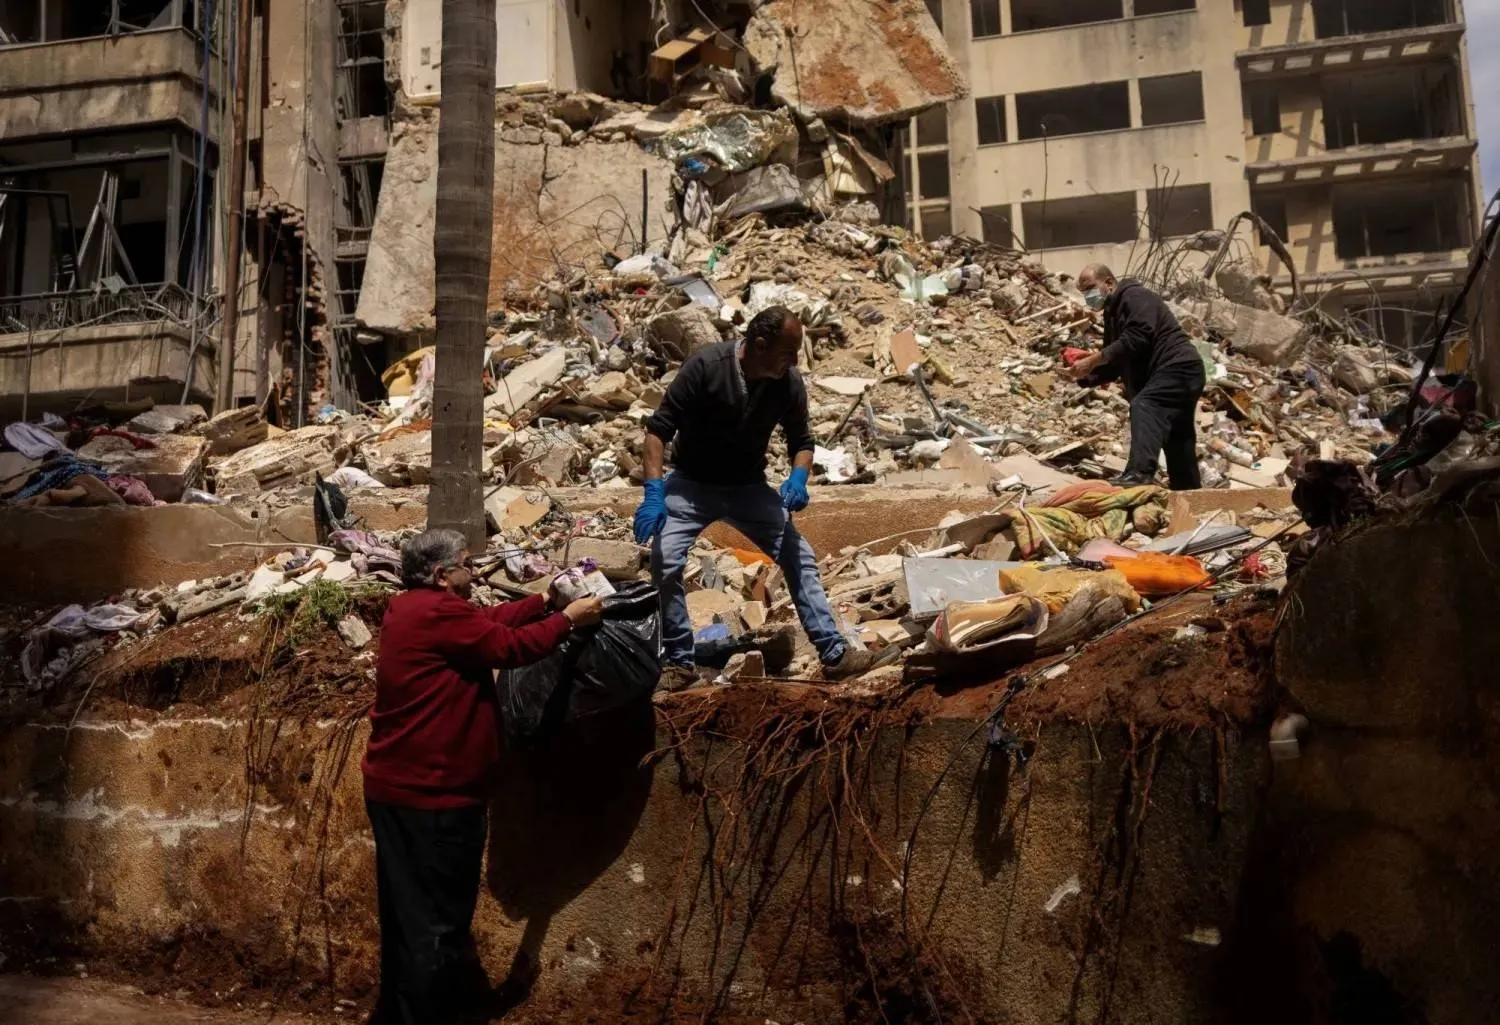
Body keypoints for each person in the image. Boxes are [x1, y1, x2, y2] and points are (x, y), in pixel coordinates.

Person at [361, 529, 604, 1025]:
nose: (473, 575)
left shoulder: (415, 608)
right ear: (441, 575)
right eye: (467, 567)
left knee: (409, 916)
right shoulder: (436, 612)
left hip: (401, 790)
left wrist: (542, 598)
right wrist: (565, 620)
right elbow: (506, 647)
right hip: (434, 798)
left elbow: (483, 624)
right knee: (438, 922)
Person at [632, 306, 891, 691]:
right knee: (665, 559)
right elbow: (657, 433)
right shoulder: (706, 366)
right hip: (691, 485)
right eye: (788, 351)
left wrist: (799, 477)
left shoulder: (786, 382)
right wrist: (654, 493)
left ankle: (835, 654)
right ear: (759, 345)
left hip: (748, 488)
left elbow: (802, 441)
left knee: (798, 555)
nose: (794, 361)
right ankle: (680, 662)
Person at [1066, 264, 1206, 490]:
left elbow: (1138, 337)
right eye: (1083, 293)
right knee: (1177, 437)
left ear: (1109, 283)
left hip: (1178, 367)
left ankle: (1139, 474)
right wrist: (1082, 376)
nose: (1088, 296)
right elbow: (1117, 361)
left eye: (1091, 288)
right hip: (1183, 372)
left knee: (1145, 404)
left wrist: (1092, 360)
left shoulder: (1135, 296)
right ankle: (1188, 490)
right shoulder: (1113, 314)